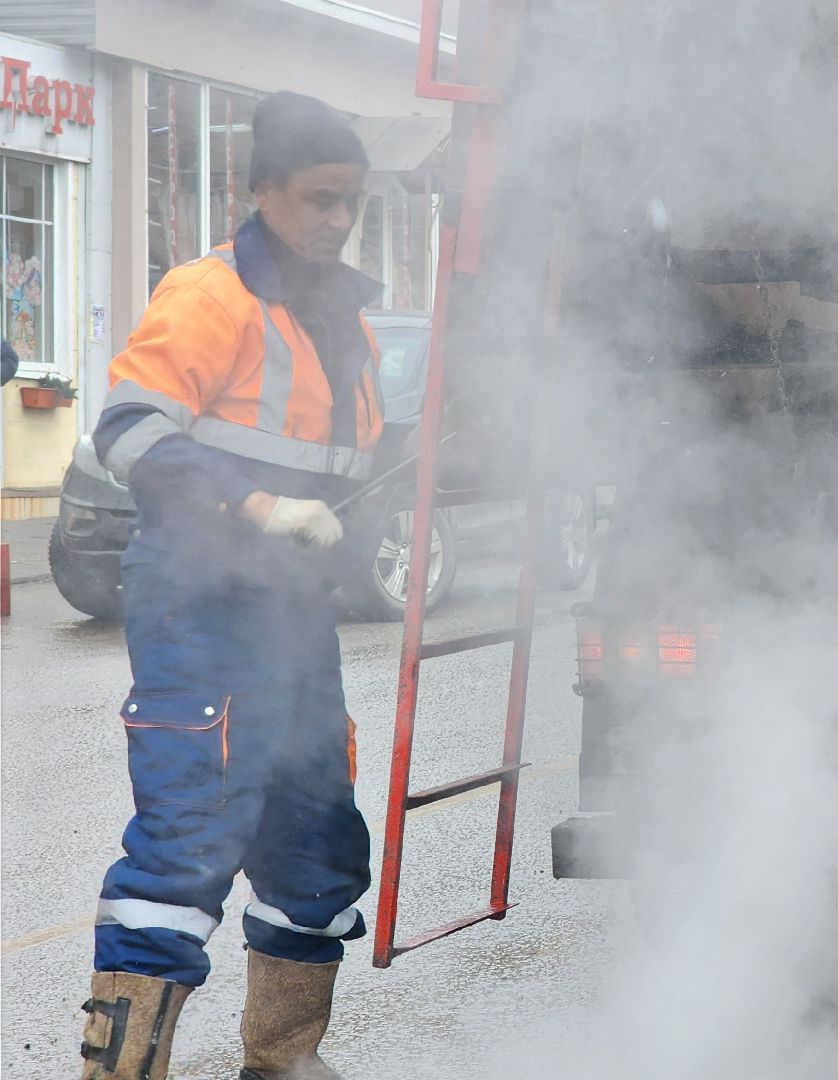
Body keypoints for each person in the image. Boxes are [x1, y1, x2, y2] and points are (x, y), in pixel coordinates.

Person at [80, 91, 383, 1080]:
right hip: (199, 607)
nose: (337, 220)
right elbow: (127, 429)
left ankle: (282, 1062)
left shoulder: (348, 324)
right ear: (264, 194)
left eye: (352, 203)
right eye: (319, 199)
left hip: (294, 617)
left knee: (316, 848)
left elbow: (348, 468)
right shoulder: (210, 296)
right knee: (184, 853)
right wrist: (256, 509)